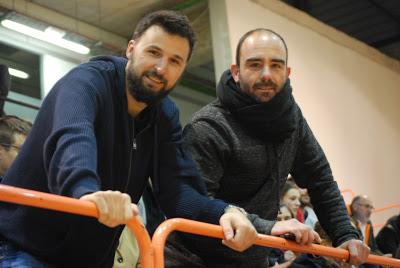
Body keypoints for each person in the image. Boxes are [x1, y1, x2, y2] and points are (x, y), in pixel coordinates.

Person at [0, 10, 257, 268]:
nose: (160, 68)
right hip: (24, 248)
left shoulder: (165, 115)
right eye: (154, 52)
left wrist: (226, 212)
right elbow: (73, 136)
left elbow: (178, 190)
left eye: (174, 61)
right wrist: (86, 191)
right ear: (131, 49)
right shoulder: (86, 81)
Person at [176, 28, 370, 267]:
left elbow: (320, 179)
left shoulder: (293, 118)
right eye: (255, 64)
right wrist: (270, 227)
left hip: (254, 259)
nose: (266, 74)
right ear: (236, 72)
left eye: (276, 65)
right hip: (194, 260)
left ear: (287, 73)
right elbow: (192, 203)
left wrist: (346, 235)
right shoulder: (209, 126)